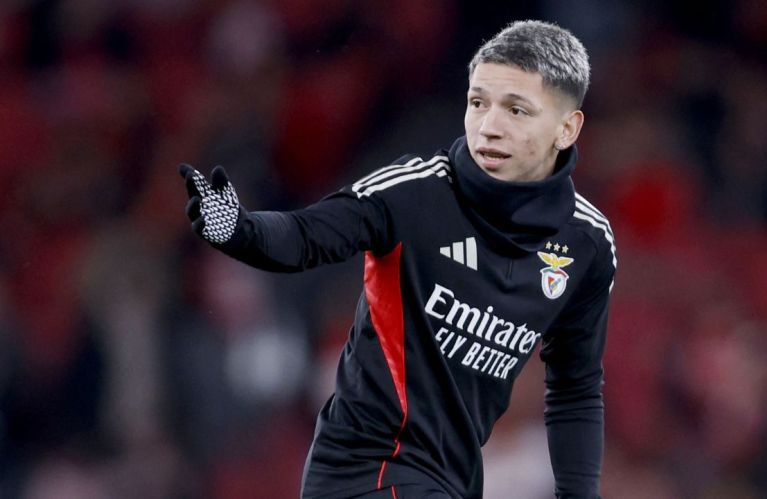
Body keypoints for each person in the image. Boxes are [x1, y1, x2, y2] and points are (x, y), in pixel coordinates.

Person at [179, 20, 616, 499]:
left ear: (566, 128)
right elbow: (309, 235)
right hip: (365, 471)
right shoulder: (415, 193)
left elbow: (574, 390)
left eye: (515, 109)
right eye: (479, 103)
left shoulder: (588, 243)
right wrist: (240, 231)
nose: (491, 126)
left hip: (450, 479)